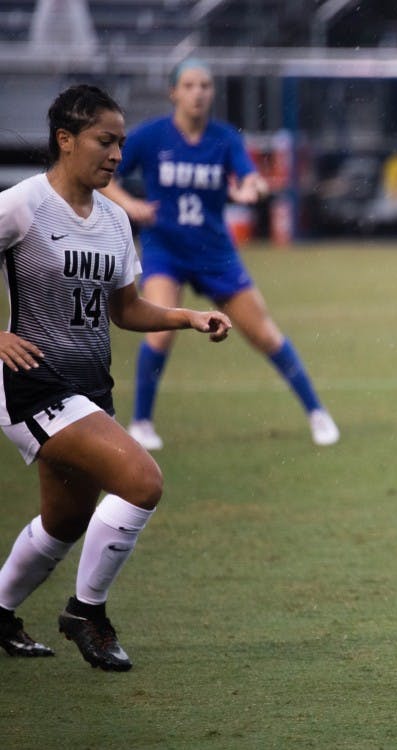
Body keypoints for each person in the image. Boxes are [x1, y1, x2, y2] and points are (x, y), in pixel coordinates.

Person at [0, 84, 232, 670]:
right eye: (105, 141)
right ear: (65, 139)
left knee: (64, 523)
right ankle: (87, 611)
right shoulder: (22, 205)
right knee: (142, 480)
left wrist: (187, 316)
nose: (116, 155)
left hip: (87, 390)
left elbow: (124, 309)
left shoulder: (114, 219)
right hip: (32, 387)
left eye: (121, 144)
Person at [101, 59, 339, 449]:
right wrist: (130, 204)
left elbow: (251, 180)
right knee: (160, 331)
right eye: (190, 85)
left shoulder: (224, 138)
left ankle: (317, 412)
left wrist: (252, 189)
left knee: (263, 333)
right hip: (166, 250)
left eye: (206, 86)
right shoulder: (151, 137)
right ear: (173, 92)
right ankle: (142, 423)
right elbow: (104, 174)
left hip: (215, 252)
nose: (198, 93)